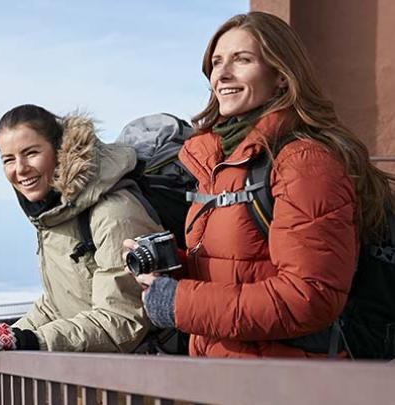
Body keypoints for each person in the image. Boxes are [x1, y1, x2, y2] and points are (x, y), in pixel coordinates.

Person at [133, 12, 395, 358]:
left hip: (289, 381)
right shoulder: (222, 162)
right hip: (230, 373)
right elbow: (244, 268)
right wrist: (171, 267)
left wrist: (180, 301)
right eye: (216, 62)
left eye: (242, 60)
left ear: (282, 77)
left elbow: (309, 296)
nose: (222, 74)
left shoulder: (303, 162)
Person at [0, 104, 162, 365]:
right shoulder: (58, 215)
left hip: (143, 379)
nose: (20, 169)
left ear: (59, 150)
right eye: (8, 159)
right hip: (97, 376)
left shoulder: (114, 213)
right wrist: (9, 333)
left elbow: (121, 320)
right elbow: (59, 303)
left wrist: (36, 341)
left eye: (31, 153)